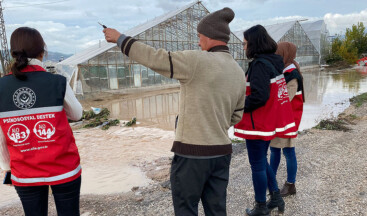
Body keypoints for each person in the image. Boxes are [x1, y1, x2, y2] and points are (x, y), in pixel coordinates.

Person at [104, 7, 246, 216]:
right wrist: (213, 123)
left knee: (185, 209)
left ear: (208, 36)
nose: (198, 42)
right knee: (216, 210)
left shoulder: (196, 61)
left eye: (199, 37)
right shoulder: (238, 71)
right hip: (222, 153)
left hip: (192, 155)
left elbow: (155, 58)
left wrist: (120, 39)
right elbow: (237, 115)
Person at [0, 27, 83, 216]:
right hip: (64, 169)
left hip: (25, 173)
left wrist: (7, 168)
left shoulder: (1, 87)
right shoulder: (57, 81)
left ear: (14, 53)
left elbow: (0, 137)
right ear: (42, 52)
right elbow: (77, 114)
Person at [234, 25, 296, 216]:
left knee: (257, 165)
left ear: (253, 43)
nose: (244, 48)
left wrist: (237, 105)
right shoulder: (274, 61)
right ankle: (276, 197)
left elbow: (260, 96)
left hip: (257, 125)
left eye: (245, 44)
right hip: (267, 124)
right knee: (262, 161)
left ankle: (261, 206)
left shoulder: (260, 64)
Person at [269, 42, 305, 197]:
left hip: (288, 120)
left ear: (285, 54)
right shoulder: (282, 72)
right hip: (279, 119)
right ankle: (272, 181)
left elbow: (285, 99)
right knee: (274, 150)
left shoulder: (292, 75)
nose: (275, 56)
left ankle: (291, 184)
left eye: (278, 53)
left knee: (289, 151)